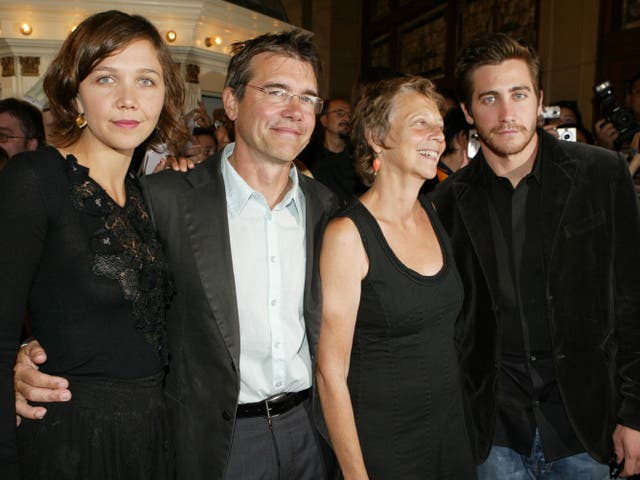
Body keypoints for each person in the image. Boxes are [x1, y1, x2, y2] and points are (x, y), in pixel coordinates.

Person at [14, 29, 338, 479]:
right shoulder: (164, 197)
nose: (294, 110)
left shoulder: (329, 208)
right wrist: (24, 354)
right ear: (230, 103)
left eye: (308, 98)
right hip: (209, 443)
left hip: (308, 433)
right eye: (276, 91)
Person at [430, 32, 640, 479]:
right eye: (489, 98)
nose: (507, 114)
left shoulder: (601, 175)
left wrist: (635, 413)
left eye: (519, 94)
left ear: (539, 99)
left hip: (585, 425)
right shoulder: (444, 205)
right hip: (493, 433)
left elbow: (633, 300)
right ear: (467, 111)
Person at [0, 10, 188, 479]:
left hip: (153, 437)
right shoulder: (35, 179)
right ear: (75, 92)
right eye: (106, 78)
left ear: (164, 97)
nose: (128, 100)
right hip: (71, 440)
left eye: (146, 81)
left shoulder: (148, 198)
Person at [316, 76, 475, 479]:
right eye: (421, 123)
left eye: (439, 126)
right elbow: (330, 374)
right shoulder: (348, 235)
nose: (437, 136)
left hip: (449, 439)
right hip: (385, 450)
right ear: (376, 136)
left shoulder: (434, 214)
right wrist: (356, 475)